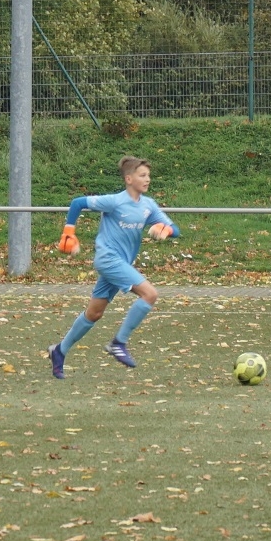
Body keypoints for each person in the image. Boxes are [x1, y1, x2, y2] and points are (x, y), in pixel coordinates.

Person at [48, 156, 180, 379]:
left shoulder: (148, 205)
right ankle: (118, 343)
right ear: (129, 179)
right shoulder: (114, 201)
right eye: (142, 175)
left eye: (148, 175)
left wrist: (165, 230)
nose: (147, 179)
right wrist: (68, 232)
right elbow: (78, 203)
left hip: (121, 263)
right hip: (108, 259)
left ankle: (59, 350)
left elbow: (175, 229)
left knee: (94, 313)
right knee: (149, 294)